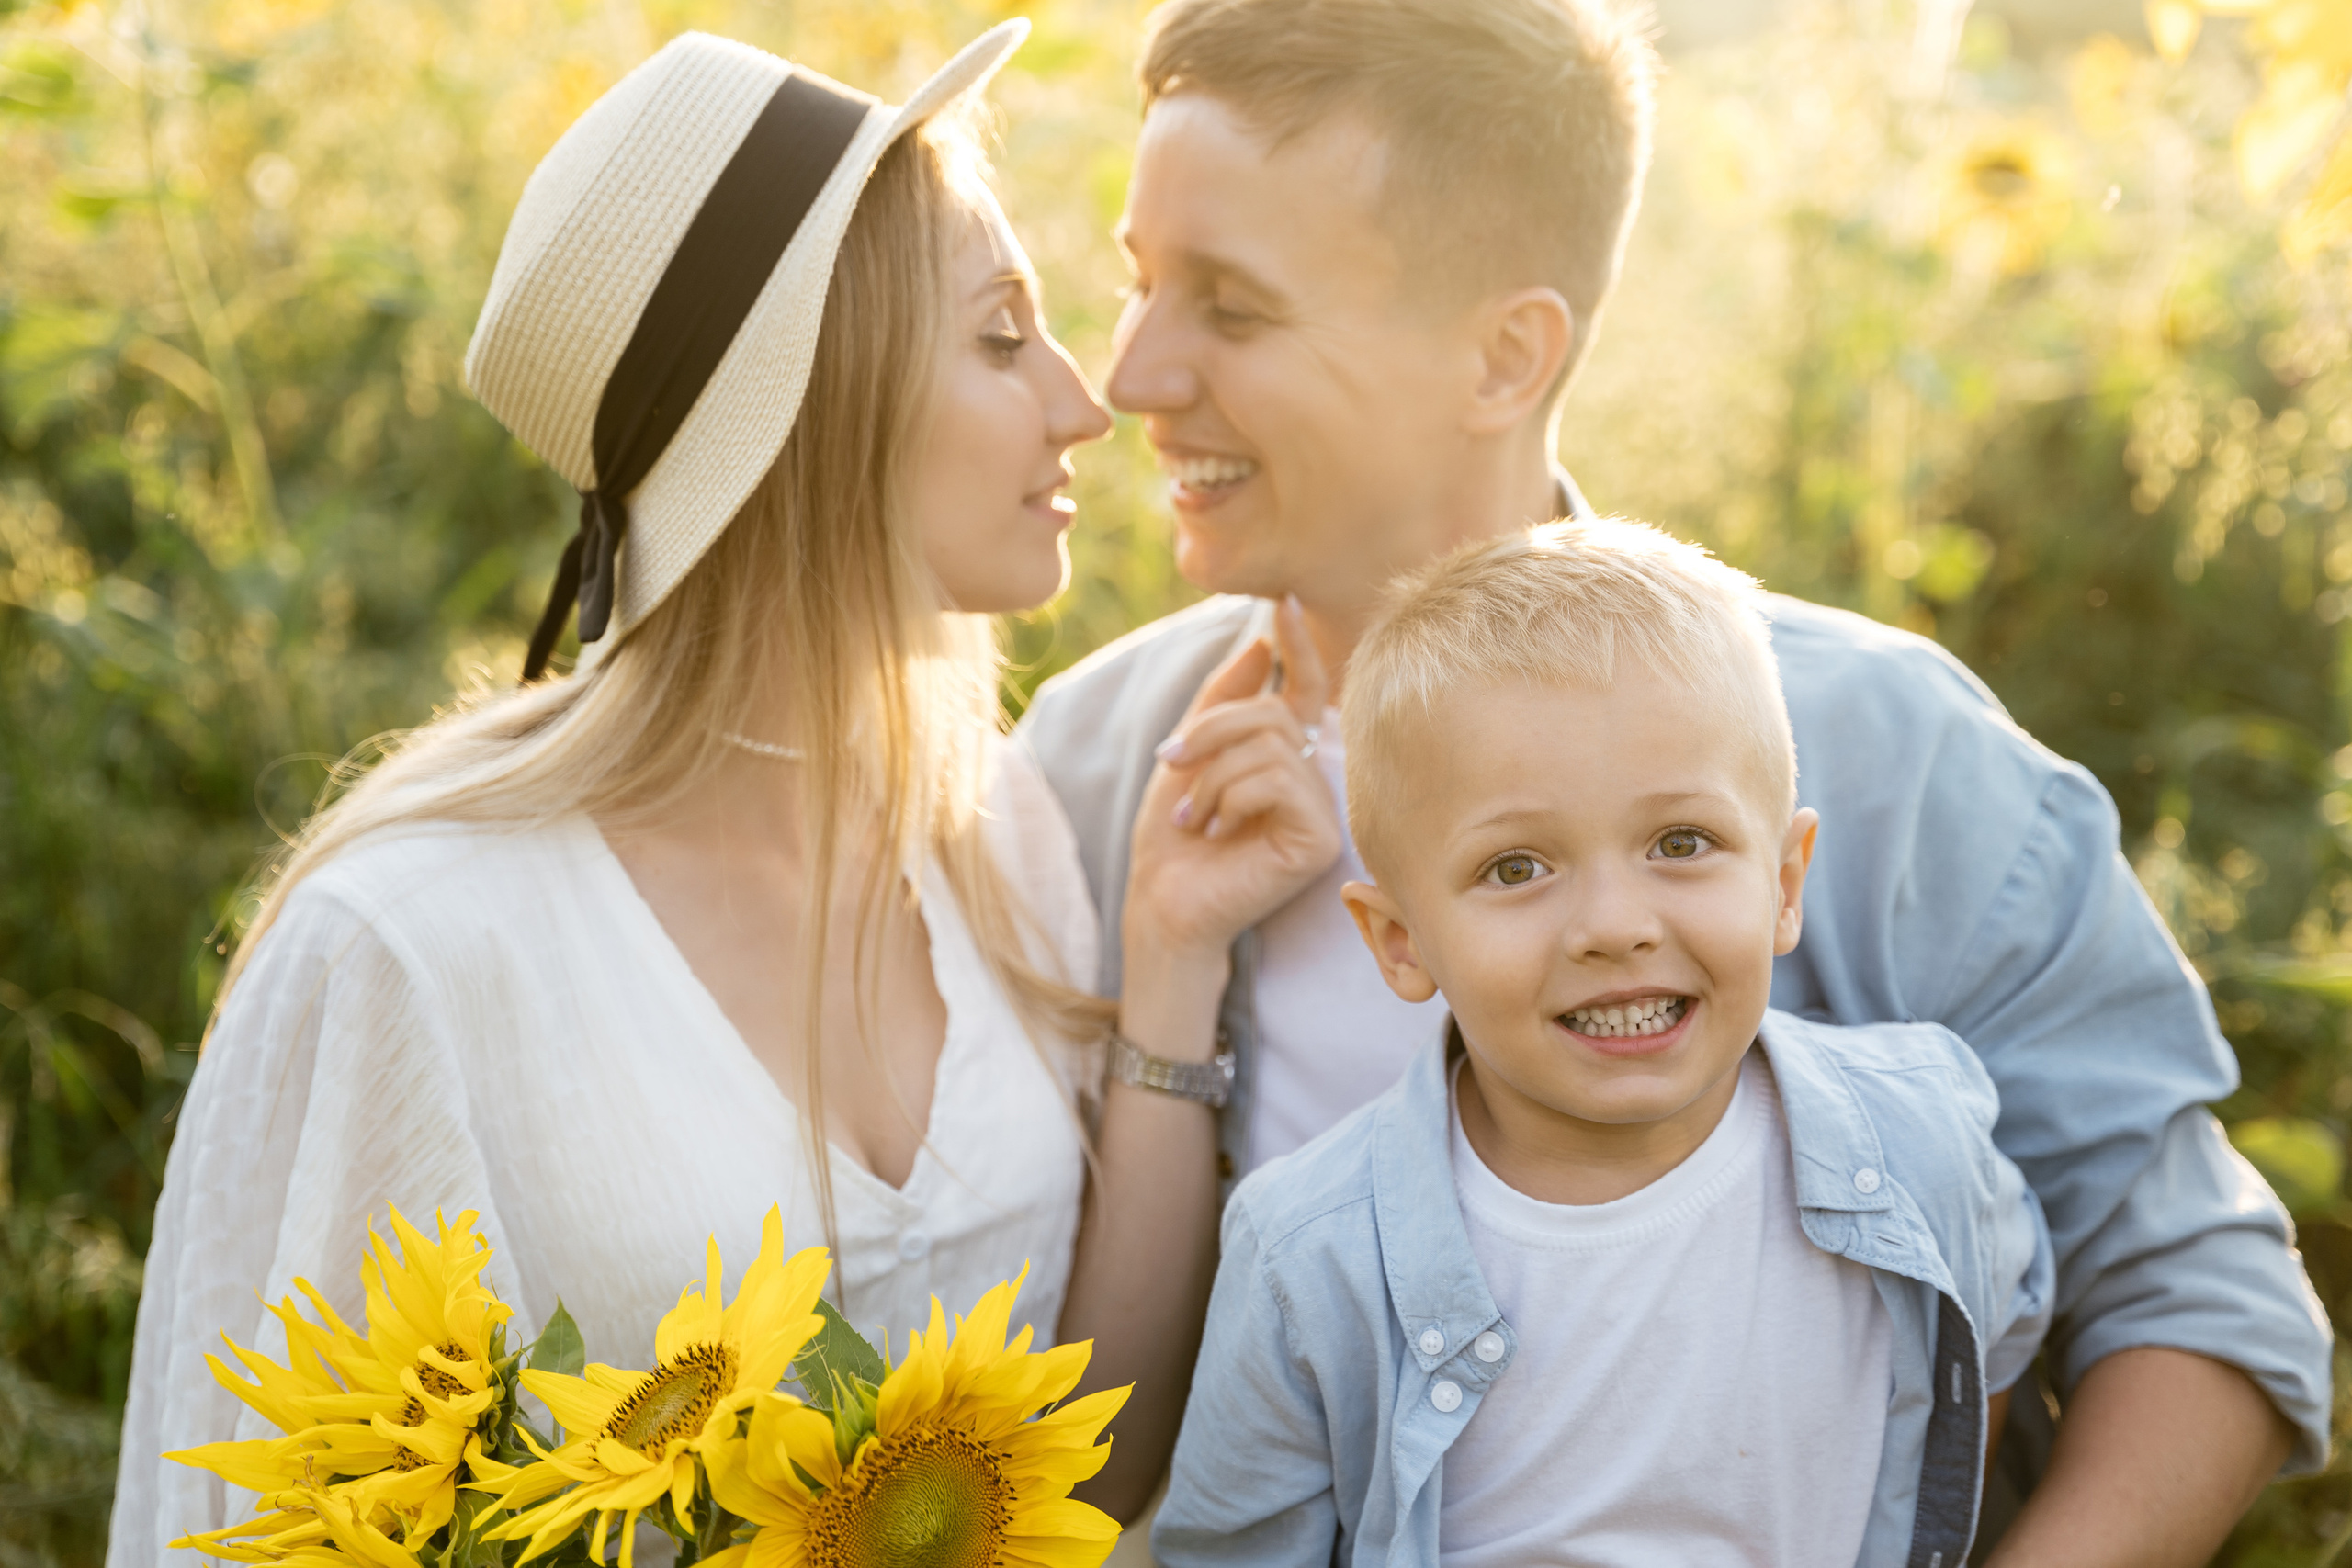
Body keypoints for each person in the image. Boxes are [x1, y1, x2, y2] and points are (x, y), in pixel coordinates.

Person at [1016, 0, 2333, 1557]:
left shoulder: (1888, 750)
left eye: (1231, 308)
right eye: (1139, 283)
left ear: (1505, 354)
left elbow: (2202, 1296)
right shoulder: (1099, 766)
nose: (1129, 375)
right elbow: (1088, 1439)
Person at [110, 22, 1276, 1555]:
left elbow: (1092, 1474)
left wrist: (1176, 964)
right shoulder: (409, 947)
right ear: (812, 408)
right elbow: (244, 1509)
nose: (1083, 403)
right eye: (1002, 337)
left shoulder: (1000, 837)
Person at [1157, 521, 2057, 1566]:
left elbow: (1985, 1347)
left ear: (1782, 881)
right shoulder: (1309, 1259)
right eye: (1516, 868)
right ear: (1401, 943)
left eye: (1682, 843)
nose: (1614, 925)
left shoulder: (1925, 1132)